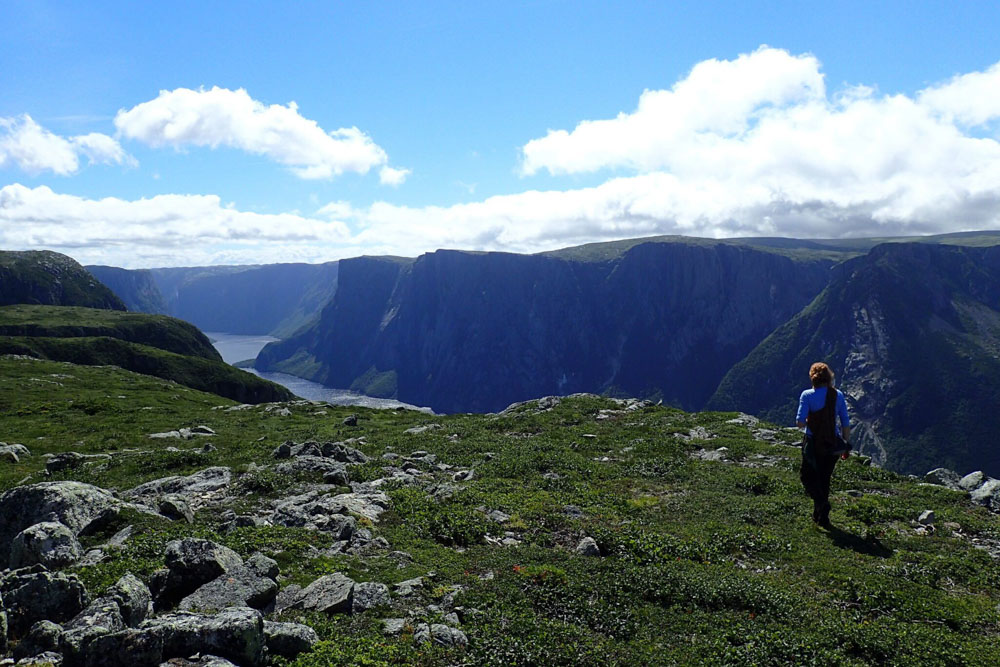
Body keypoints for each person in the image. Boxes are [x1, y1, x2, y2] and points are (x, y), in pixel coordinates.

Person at [796, 362, 851, 528]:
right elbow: (845, 422)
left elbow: (799, 423)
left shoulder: (807, 395)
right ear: (829, 378)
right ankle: (821, 517)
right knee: (824, 479)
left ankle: (821, 504)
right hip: (832, 443)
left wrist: (810, 420)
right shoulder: (838, 395)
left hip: (813, 443)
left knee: (807, 476)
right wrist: (845, 444)